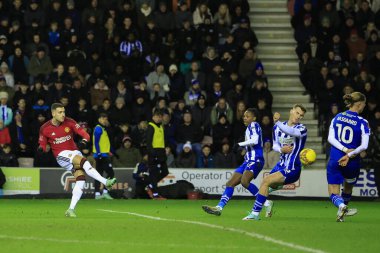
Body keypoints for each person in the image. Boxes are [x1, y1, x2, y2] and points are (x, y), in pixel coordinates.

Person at [38, 103, 117, 218]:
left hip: (74, 152)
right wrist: (41, 148)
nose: (63, 114)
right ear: (53, 113)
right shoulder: (44, 128)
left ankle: (70, 209)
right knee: (84, 162)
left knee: (81, 179)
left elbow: (85, 135)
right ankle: (105, 182)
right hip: (61, 155)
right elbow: (42, 143)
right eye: (60, 112)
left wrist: (84, 141)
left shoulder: (69, 122)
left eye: (64, 111)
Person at [242, 104, 307, 220]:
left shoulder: (301, 129)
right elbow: (275, 145)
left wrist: (277, 122)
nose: (298, 117)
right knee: (264, 184)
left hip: (292, 168)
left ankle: (255, 214)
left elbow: (292, 132)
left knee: (266, 181)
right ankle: (267, 205)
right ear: (291, 111)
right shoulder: (277, 128)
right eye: (297, 113)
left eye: (301, 116)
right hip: (281, 165)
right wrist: (281, 149)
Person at [202, 108, 269, 216]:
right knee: (230, 183)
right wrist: (244, 150)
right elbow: (253, 142)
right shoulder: (248, 129)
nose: (245, 118)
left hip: (256, 159)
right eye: (244, 116)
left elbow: (255, 140)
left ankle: (265, 202)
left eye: (248, 116)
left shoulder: (254, 125)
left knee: (244, 182)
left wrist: (240, 144)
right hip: (248, 160)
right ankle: (219, 208)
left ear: (254, 118)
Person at [326, 92, 370, 222]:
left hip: (336, 158)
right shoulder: (363, 122)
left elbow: (330, 138)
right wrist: (349, 154)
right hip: (352, 162)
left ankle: (341, 206)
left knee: (333, 192)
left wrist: (344, 150)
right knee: (348, 187)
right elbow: (364, 146)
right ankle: (342, 214)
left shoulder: (337, 117)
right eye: (364, 104)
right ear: (360, 104)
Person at [145, 109, 168, 199]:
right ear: (153, 117)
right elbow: (149, 142)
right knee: (154, 174)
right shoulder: (151, 126)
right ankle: (155, 194)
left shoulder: (161, 127)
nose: (159, 118)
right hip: (154, 153)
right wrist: (153, 154)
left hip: (161, 152)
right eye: (157, 116)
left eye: (160, 117)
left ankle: (150, 185)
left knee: (165, 172)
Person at [92, 113, 115, 200]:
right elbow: (96, 142)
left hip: (103, 154)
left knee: (99, 174)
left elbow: (102, 143)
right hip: (101, 155)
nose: (105, 120)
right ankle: (105, 192)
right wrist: (99, 153)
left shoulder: (102, 128)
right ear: (99, 119)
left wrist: (108, 151)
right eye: (103, 119)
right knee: (111, 173)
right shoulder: (98, 128)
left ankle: (97, 194)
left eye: (106, 119)